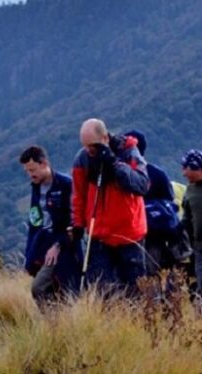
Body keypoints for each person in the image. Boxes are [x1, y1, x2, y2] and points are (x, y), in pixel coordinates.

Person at [71, 119, 149, 296]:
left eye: (93, 146)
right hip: (99, 235)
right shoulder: (82, 159)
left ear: (105, 138)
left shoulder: (128, 151)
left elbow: (142, 185)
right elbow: (78, 195)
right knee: (100, 291)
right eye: (85, 146)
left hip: (129, 235)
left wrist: (115, 165)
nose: (89, 150)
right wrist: (77, 224)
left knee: (136, 291)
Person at [18, 145, 81, 304]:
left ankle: (60, 317)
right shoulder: (36, 187)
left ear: (44, 163)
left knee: (42, 288)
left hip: (65, 248)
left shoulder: (66, 185)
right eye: (27, 171)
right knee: (50, 290)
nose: (30, 175)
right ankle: (54, 318)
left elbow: (75, 221)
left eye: (33, 170)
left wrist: (58, 245)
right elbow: (35, 222)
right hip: (42, 246)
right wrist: (29, 256)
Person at [124, 130, 190, 274]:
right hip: (162, 233)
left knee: (143, 274)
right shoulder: (157, 173)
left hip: (135, 235)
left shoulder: (123, 175)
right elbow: (169, 199)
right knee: (165, 272)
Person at [180, 150, 202, 299]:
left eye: (185, 168)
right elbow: (187, 219)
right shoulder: (190, 190)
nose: (183, 173)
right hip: (198, 247)